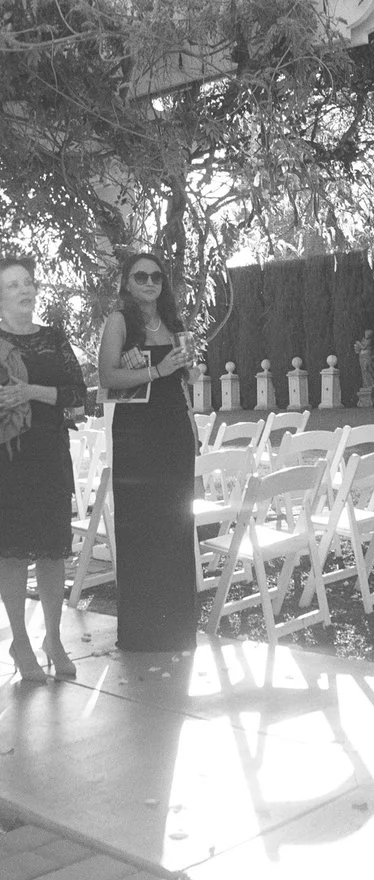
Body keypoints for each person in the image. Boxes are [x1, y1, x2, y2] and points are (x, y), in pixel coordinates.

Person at [94, 252, 199, 654]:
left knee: (175, 524)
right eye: (141, 276)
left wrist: (187, 368)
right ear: (127, 282)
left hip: (174, 428)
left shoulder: (173, 323)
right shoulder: (120, 322)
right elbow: (107, 377)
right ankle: (142, 633)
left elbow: (185, 376)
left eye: (156, 276)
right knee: (140, 525)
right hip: (137, 434)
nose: (150, 282)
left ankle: (177, 629)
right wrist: (155, 370)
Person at [1, 256, 87, 684]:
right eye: (13, 284)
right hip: (8, 461)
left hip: (52, 454)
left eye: (29, 282)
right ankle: (20, 640)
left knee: (54, 551)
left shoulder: (54, 338)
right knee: (13, 553)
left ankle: (53, 638)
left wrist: (31, 392)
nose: (24, 290)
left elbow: (78, 396)